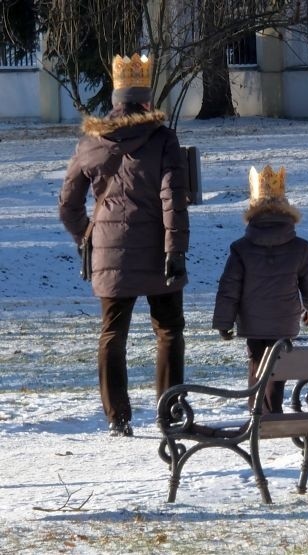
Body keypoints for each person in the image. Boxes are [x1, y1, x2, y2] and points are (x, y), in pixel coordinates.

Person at [58, 53, 189, 437]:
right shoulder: (163, 139)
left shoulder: (90, 142)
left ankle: (118, 417)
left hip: (109, 250)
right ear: (145, 100)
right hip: (158, 249)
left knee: (113, 332)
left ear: (115, 100)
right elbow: (172, 198)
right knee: (168, 330)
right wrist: (175, 249)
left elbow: (67, 205)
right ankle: (169, 411)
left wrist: (88, 235)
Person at [213, 165, 308, 414]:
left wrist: (224, 321)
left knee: (256, 364)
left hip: (252, 321)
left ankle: (257, 413)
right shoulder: (301, 248)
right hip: (284, 321)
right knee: (277, 367)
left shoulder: (241, 248)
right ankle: (272, 411)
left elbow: (229, 288)